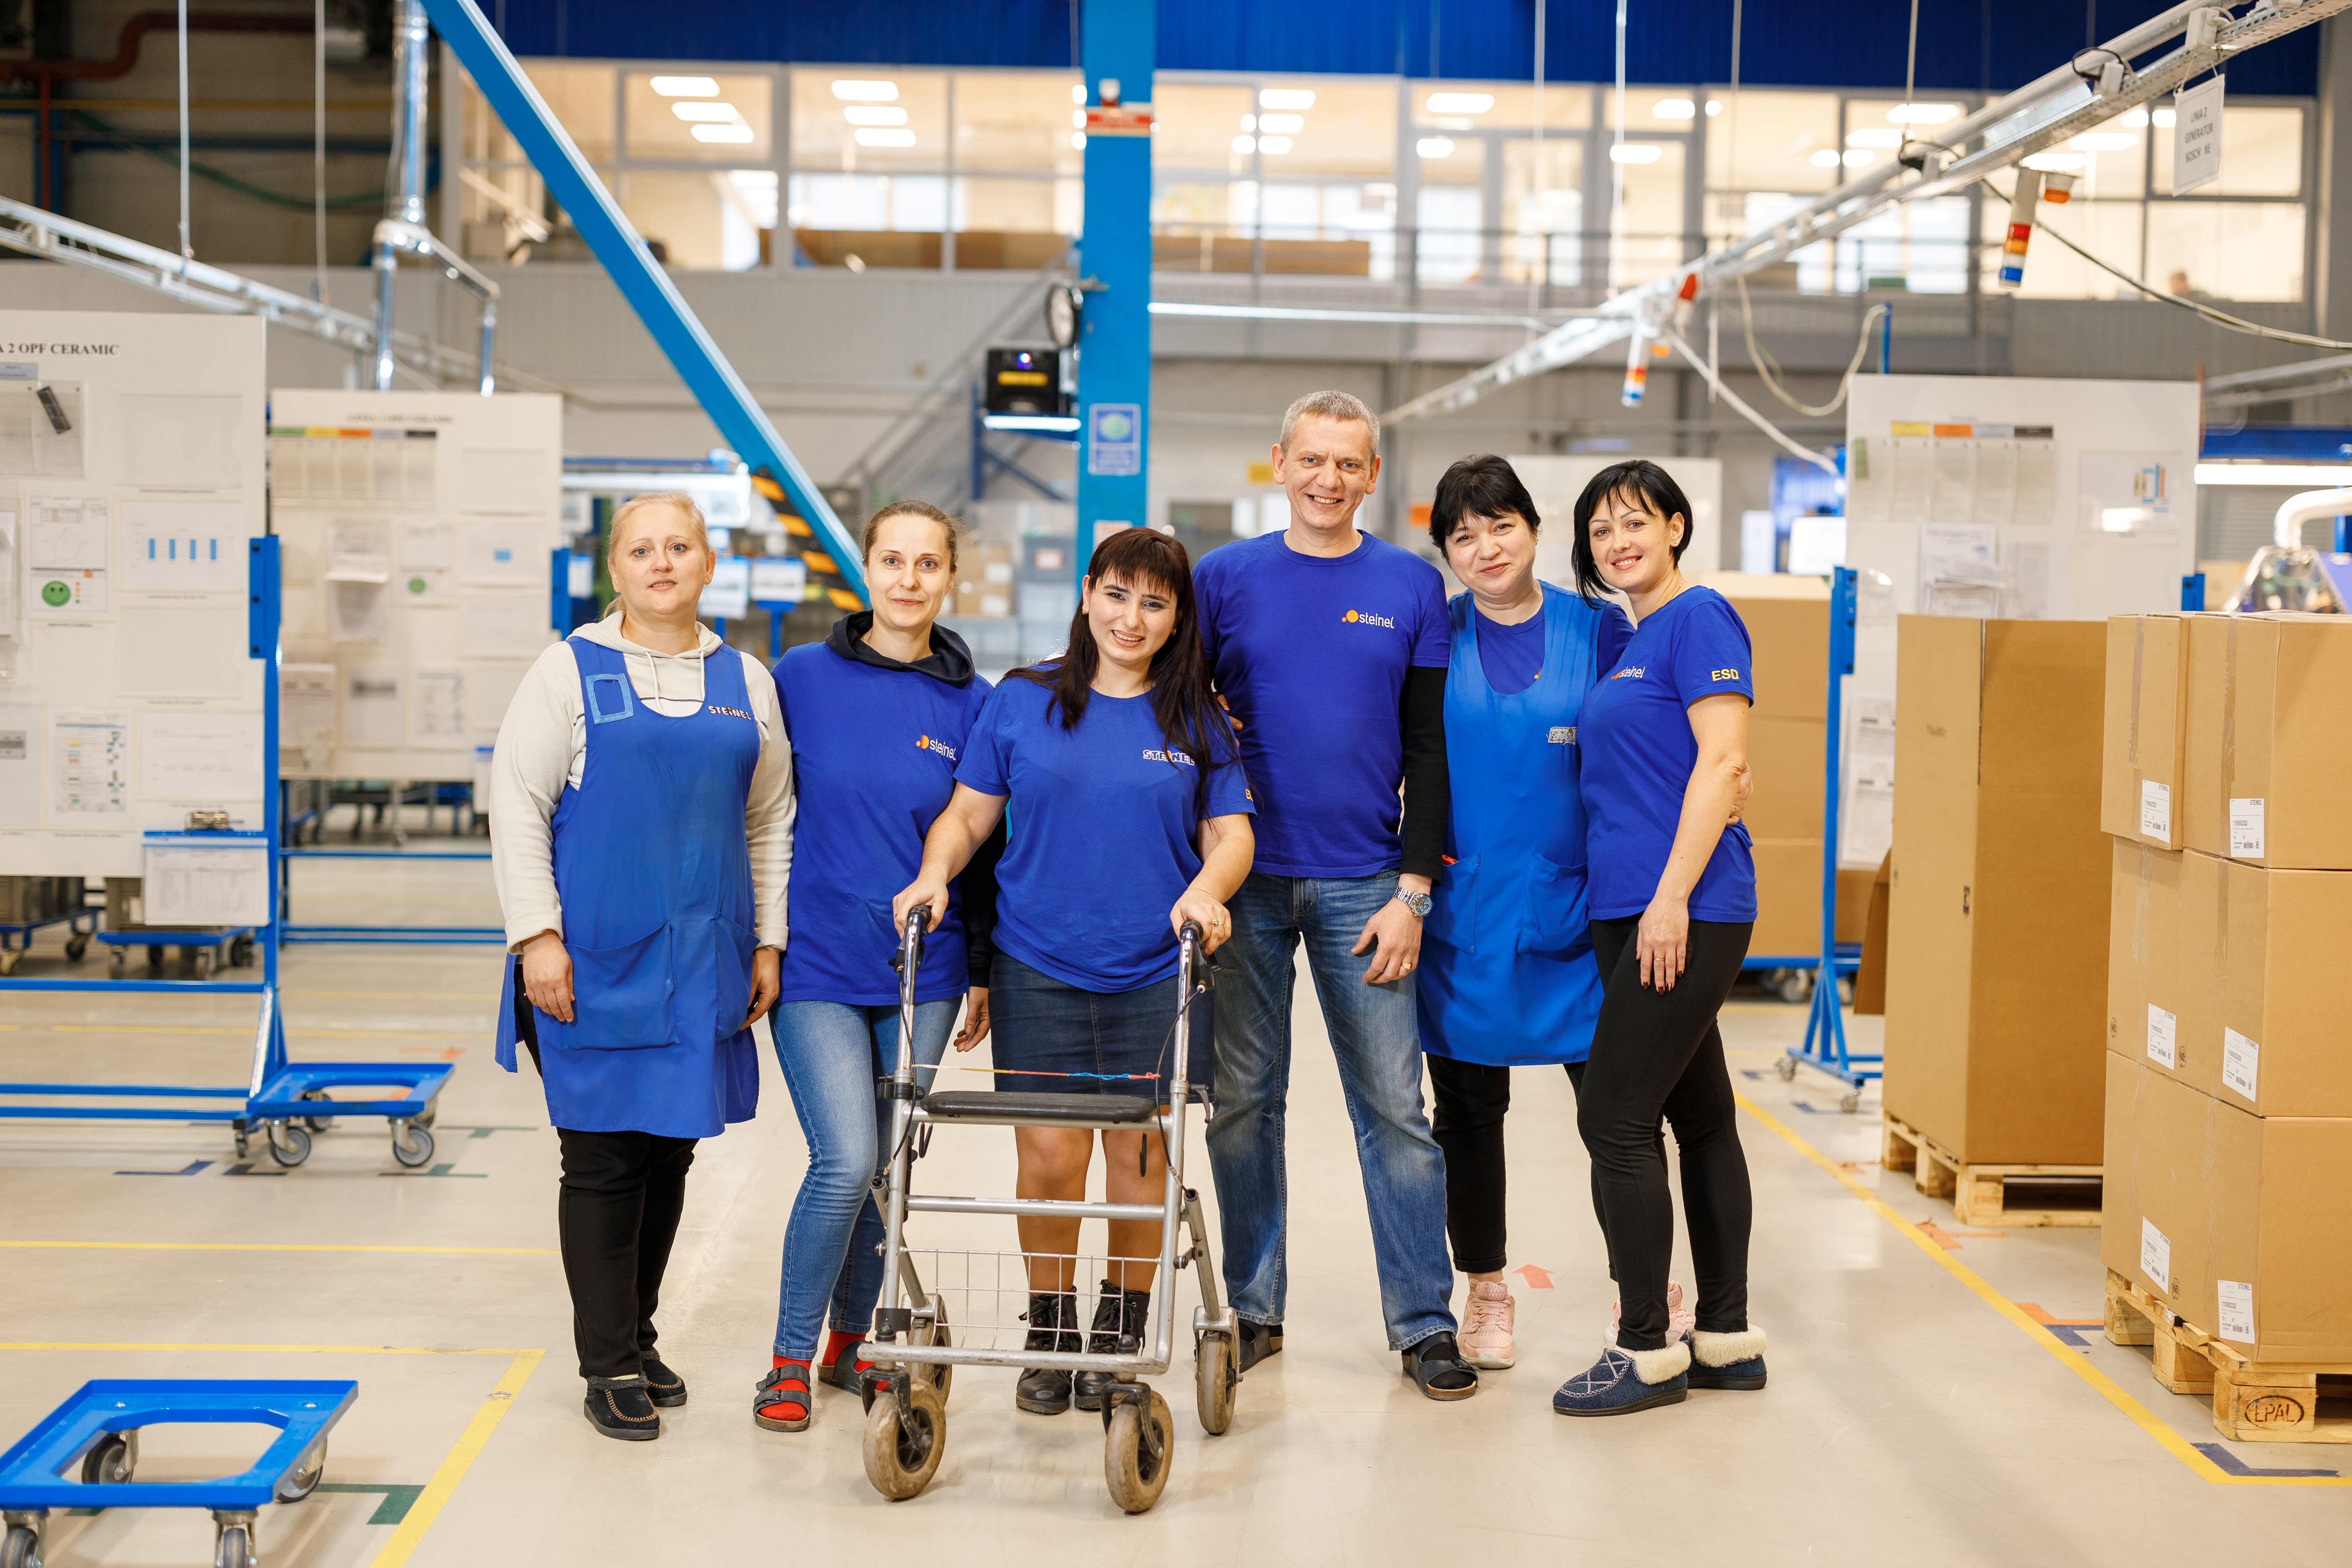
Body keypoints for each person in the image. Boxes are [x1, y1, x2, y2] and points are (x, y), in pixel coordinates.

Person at [894, 526, 1254, 1417]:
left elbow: (1232, 835)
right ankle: (1051, 1327)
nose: (1132, 618)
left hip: (1154, 976)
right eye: (1118, 595)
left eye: (1155, 603)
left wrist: (1208, 892)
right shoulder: (1021, 702)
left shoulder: (1197, 721)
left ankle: (1119, 1330)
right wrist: (934, 873)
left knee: (1141, 1157)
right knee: (1050, 1157)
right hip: (1040, 967)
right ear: (1088, 594)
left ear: (1177, 620)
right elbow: (970, 816)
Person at [490, 490, 794, 1442]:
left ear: (708, 564)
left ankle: (638, 1336)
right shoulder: (566, 672)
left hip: (705, 959)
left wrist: (769, 940)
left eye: (679, 546)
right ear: (614, 570)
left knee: (670, 1150)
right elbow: (516, 806)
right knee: (605, 1155)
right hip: (588, 963)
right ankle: (606, 1362)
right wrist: (537, 934)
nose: (661, 563)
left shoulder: (745, 678)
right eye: (640, 550)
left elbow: (769, 818)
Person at [1194, 389, 1478, 1402]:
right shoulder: (1221, 579)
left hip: (1367, 884)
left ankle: (1422, 1321)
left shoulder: (1408, 583)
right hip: (1246, 882)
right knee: (1241, 1105)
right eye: (1311, 459)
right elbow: (1179, 712)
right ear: (1279, 460)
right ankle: (1252, 1308)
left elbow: (1426, 743)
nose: (1328, 479)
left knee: (1395, 1110)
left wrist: (1414, 887)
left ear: (1371, 473)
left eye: (1349, 463)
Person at [753, 501, 1001, 1434]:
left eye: (926, 563)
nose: (907, 579)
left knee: (887, 1172)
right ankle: (785, 1355)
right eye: (891, 560)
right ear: (865, 571)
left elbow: (983, 843)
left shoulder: (975, 704)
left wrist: (978, 969)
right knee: (846, 1157)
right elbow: (759, 813)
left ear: (948, 578)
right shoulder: (798, 680)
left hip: (922, 973)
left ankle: (851, 1345)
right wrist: (757, 941)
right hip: (815, 959)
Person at [1550, 458, 1767, 1418]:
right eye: (1600, 531)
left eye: (1634, 522)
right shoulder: (1626, 643)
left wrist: (1671, 898)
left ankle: (1644, 1350)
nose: (1617, 542)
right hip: (1633, 906)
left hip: (1680, 907)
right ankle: (1725, 1340)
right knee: (1702, 1117)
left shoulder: (1700, 618)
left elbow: (1724, 765)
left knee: (1613, 1118)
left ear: (1676, 526)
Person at [1414, 455, 1632, 1372]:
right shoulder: (1437, 639)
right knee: (1467, 1112)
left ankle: (1644, 1284)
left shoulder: (1601, 631)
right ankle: (1488, 1292)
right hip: (1466, 914)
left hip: (1580, 914)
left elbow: (1651, 750)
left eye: (1499, 526)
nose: (1484, 548)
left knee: (1616, 1113)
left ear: (1535, 531)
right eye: (1462, 536)